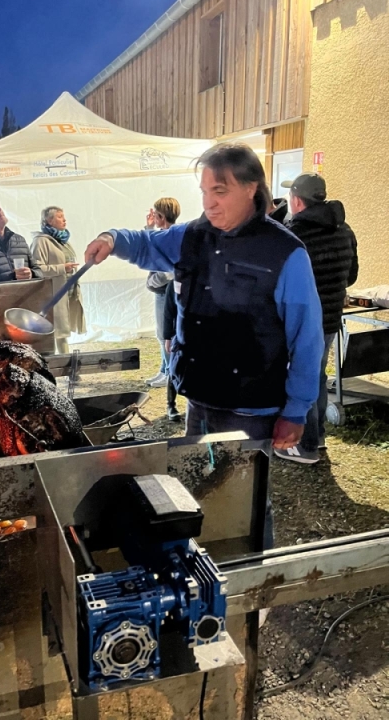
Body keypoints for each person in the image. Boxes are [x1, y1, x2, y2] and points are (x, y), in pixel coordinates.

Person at [85, 143, 324, 548]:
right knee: (192, 493)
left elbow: (308, 338)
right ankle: (202, 573)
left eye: (220, 191)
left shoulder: (285, 252)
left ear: (251, 188)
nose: (209, 203)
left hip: (252, 406)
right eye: (204, 191)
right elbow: (145, 243)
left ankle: (250, 579)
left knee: (244, 505)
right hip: (200, 396)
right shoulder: (193, 235)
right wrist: (112, 238)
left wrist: (297, 410)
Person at [274, 173, 359, 465]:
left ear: (297, 200)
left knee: (301, 378)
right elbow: (352, 276)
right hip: (331, 318)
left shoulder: (295, 233)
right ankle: (317, 437)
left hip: (302, 320)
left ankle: (304, 445)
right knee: (317, 377)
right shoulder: (344, 228)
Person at [30, 206, 86, 354]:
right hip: (53, 293)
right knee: (56, 332)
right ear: (49, 220)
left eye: (63, 216)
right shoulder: (40, 241)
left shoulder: (63, 241)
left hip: (68, 290)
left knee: (63, 332)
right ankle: (58, 366)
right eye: (60, 216)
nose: (64, 219)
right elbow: (37, 269)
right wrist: (62, 268)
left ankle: (66, 366)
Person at [145, 198, 181, 388]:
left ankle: (169, 373)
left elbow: (169, 272)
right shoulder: (168, 234)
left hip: (165, 292)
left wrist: (152, 281)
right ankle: (164, 370)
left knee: (164, 335)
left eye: (156, 215)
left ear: (161, 216)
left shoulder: (170, 237)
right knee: (162, 334)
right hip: (162, 291)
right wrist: (149, 228)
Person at [163, 279, 182, 421]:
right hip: (179, 334)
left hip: (203, 333)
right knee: (174, 368)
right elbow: (168, 311)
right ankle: (171, 405)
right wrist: (167, 337)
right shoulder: (174, 283)